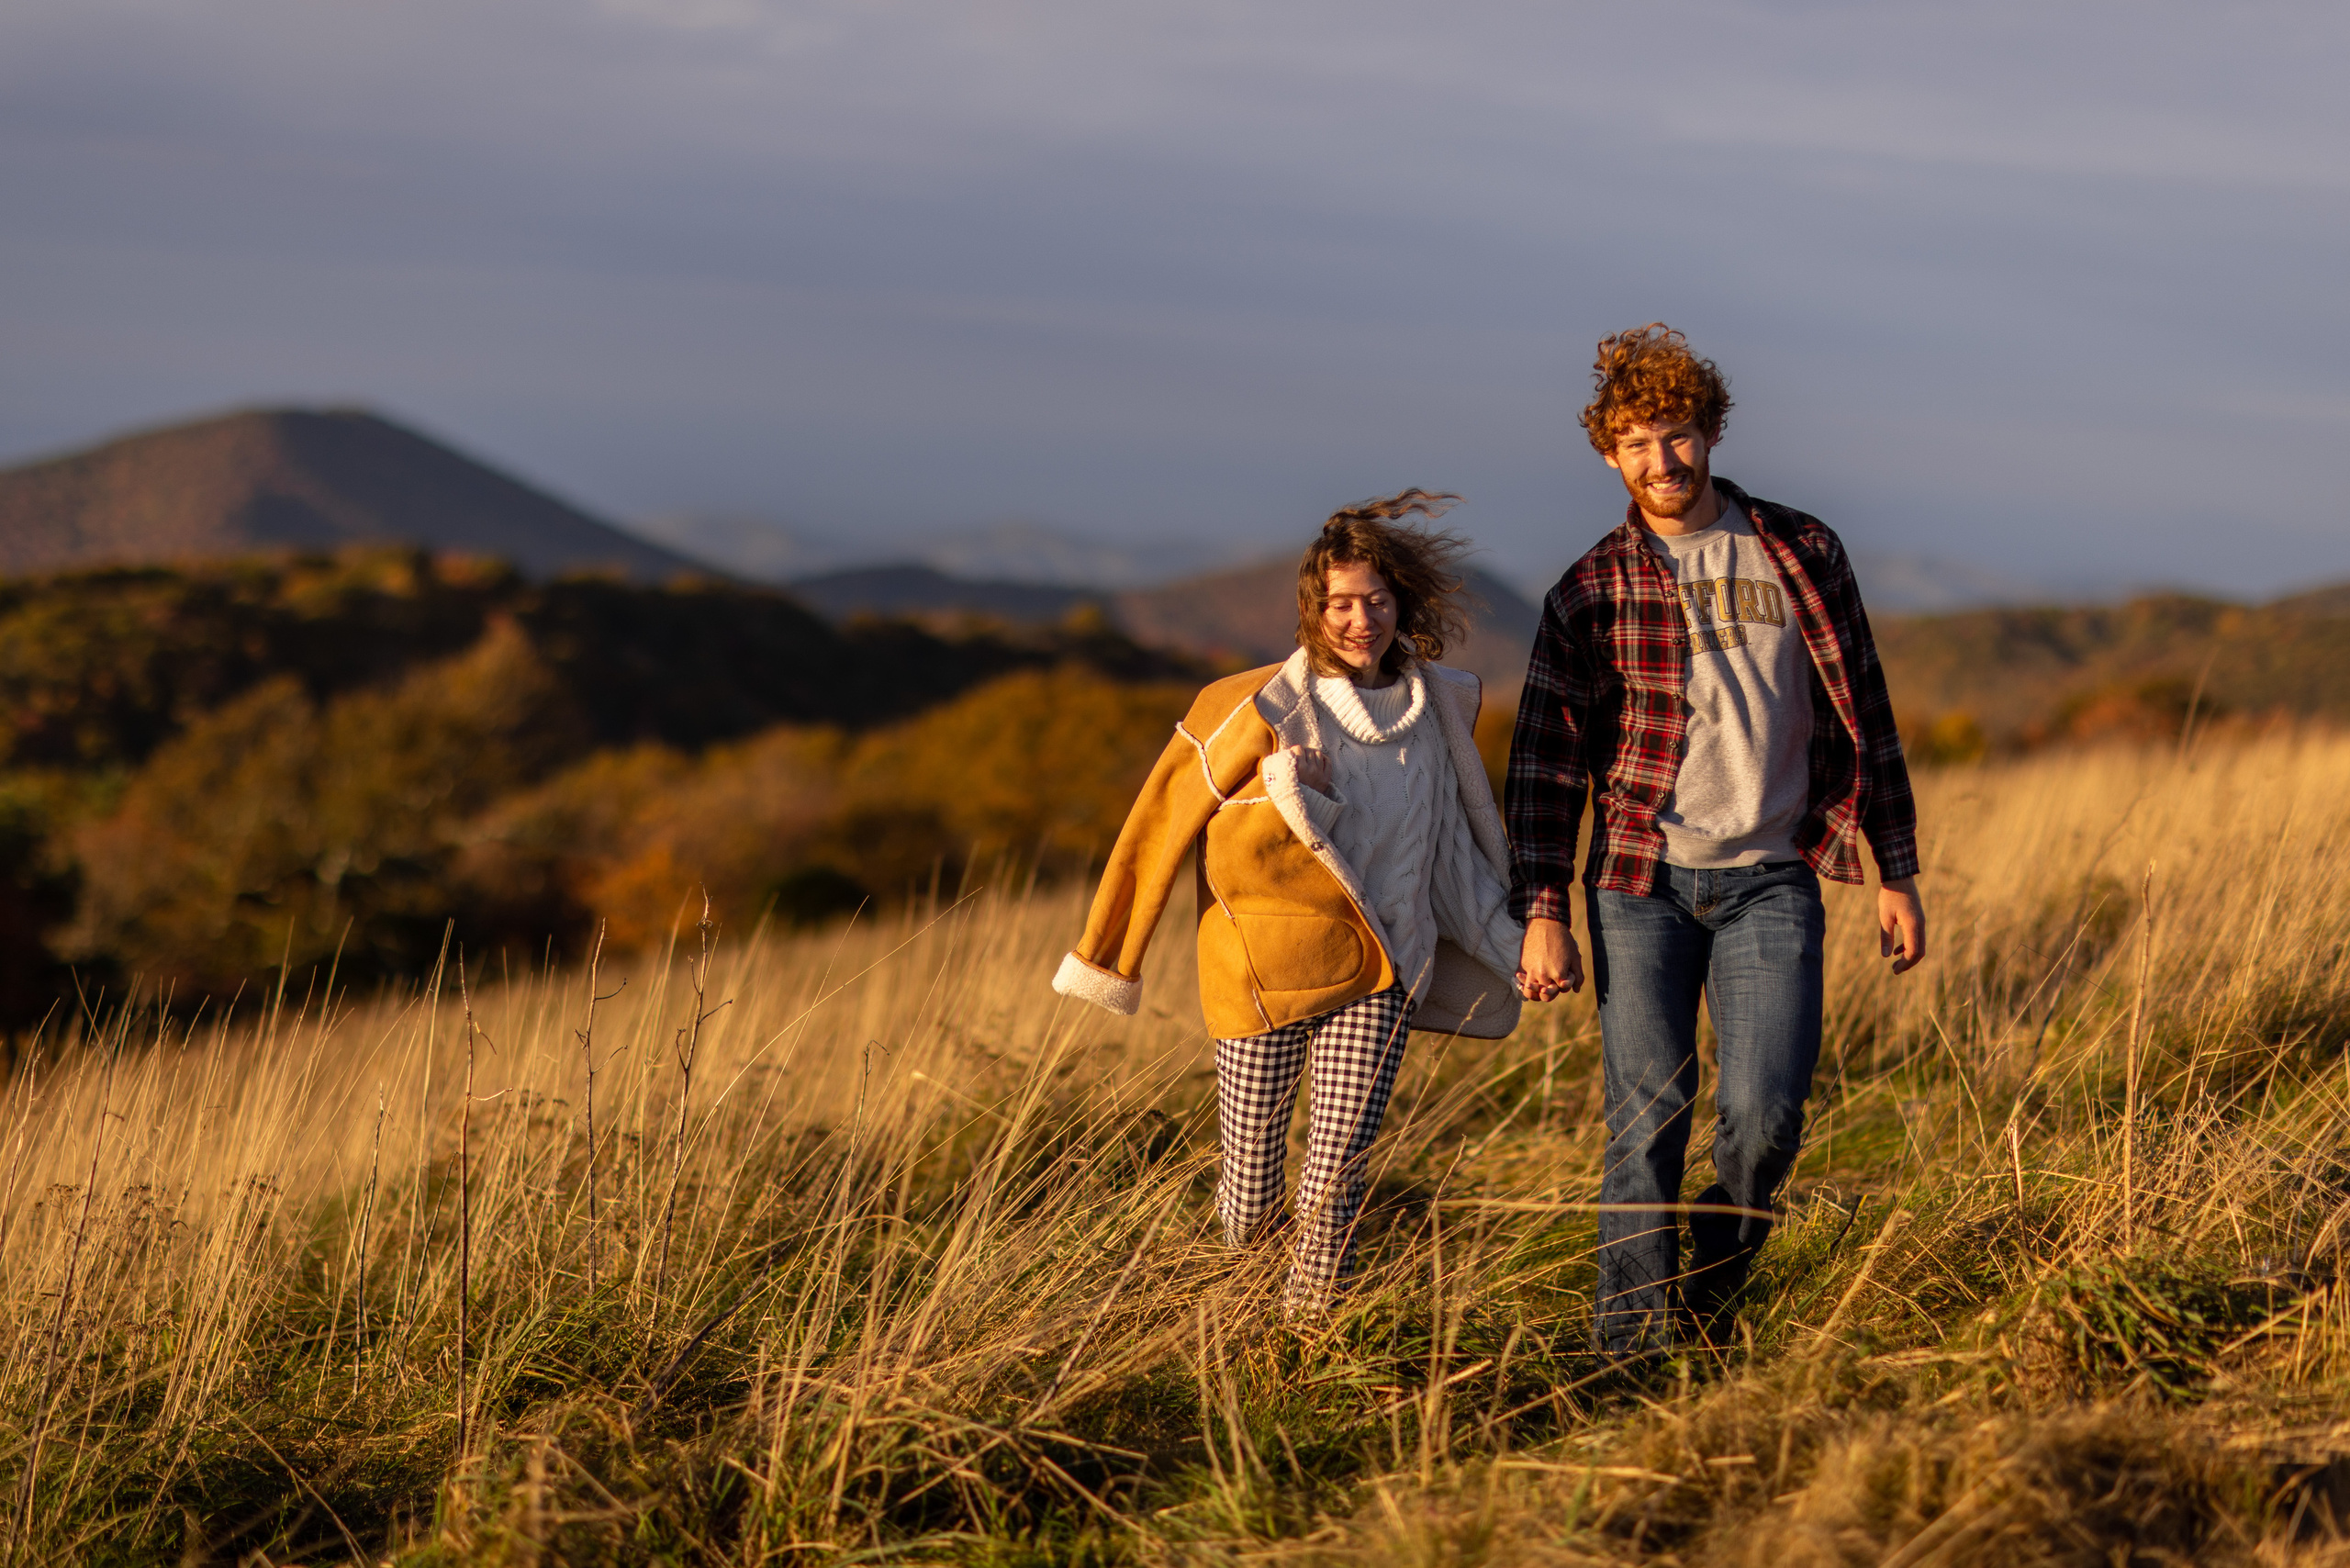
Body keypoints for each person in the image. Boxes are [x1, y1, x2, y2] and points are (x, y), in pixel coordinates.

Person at [1507, 325, 1928, 1356]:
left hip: (1773, 880)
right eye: (1637, 443)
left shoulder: (1803, 549)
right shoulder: (1588, 590)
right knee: (1643, 1122)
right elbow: (1546, 764)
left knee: (1765, 1118)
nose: (1663, 460)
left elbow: (1863, 711)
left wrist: (1896, 870)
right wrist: (1542, 911)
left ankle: (1707, 1286)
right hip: (1639, 882)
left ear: (1713, 431)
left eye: (1679, 435)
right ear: (1608, 453)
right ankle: (1628, 1352)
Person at [1053, 491, 1527, 1312]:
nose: (1359, 619)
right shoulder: (1254, 702)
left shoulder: (1438, 707)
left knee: (1335, 1180)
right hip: (1262, 974)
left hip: (1385, 969)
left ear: (1398, 604)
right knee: (1250, 1185)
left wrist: (1520, 946)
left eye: (1375, 600)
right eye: (1339, 602)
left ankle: (1305, 1338)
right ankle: (1235, 1313)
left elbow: (1448, 848)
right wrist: (1109, 957)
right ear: (1312, 607)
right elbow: (1163, 819)